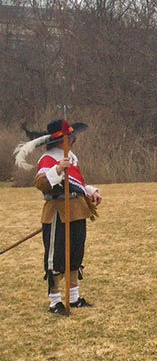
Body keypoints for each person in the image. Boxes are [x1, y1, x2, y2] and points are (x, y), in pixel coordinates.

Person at [20, 120, 101, 314]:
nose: (74, 140)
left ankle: (74, 298)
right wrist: (57, 169)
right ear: (61, 140)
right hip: (58, 211)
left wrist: (90, 191)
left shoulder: (71, 157)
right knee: (56, 257)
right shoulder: (48, 158)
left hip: (77, 210)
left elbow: (76, 183)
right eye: (70, 137)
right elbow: (41, 182)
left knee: (75, 254)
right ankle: (55, 301)